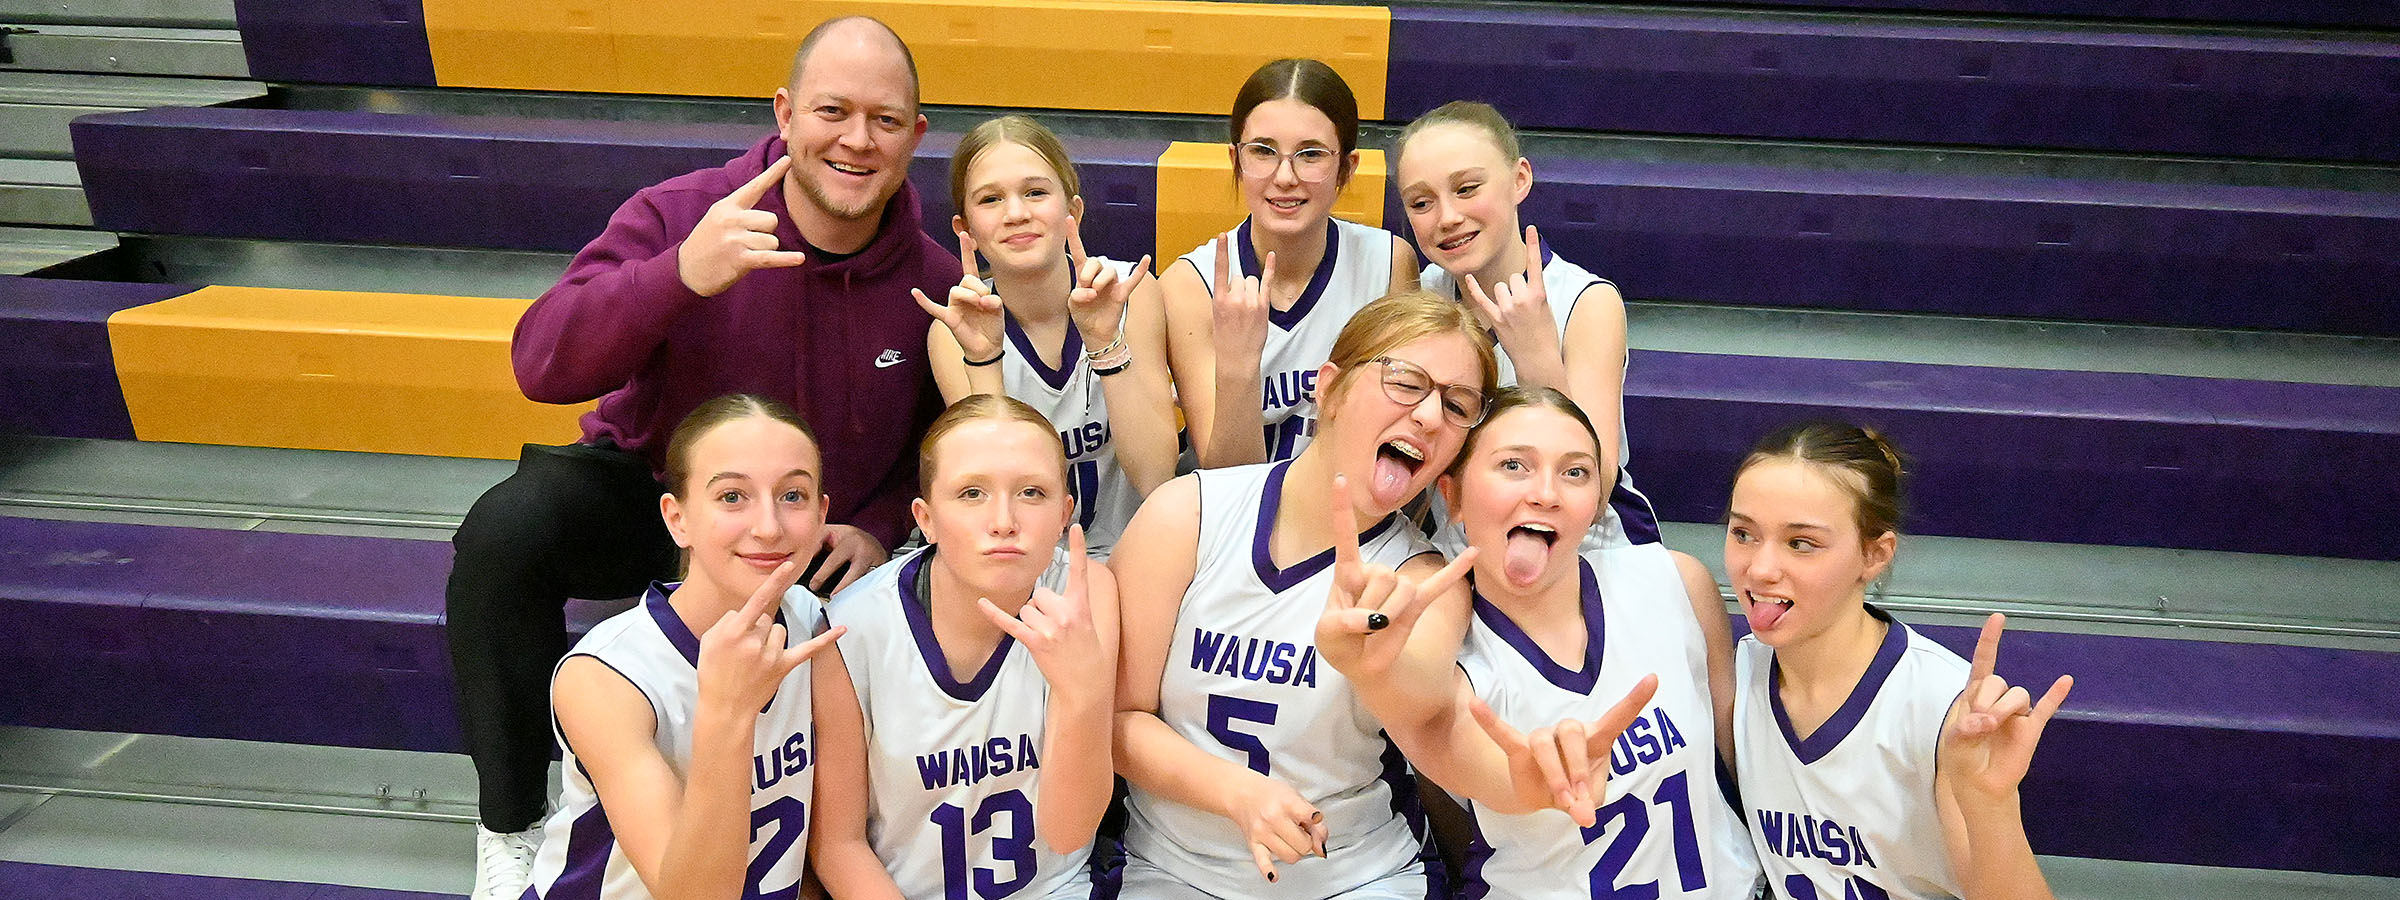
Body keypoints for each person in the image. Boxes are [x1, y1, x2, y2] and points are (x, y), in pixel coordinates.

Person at [446, 17, 961, 899]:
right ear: (786, 112)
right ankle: (511, 825)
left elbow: (941, 442)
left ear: (916, 135)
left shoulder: (931, 280)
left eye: (885, 119)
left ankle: (845, 842)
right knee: (508, 528)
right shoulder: (686, 213)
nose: (856, 139)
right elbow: (540, 362)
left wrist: (877, 526)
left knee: (904, 601)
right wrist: (679, 273)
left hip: (795, 532)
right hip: (656, 497)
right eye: (833, 111)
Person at [1111, 290, 1497, 899]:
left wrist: (1375, 669)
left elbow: (1424, 700)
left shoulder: (1426, 580)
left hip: (1358, 876)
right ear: (1330, 388)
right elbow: (1118, 722)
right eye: (1405, 381)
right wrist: (1237, 794)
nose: (1428, 415)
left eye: (1457, 405)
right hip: (1173, 869)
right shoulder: (1188, 515)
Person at [1317, 386, 1759, 899]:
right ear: (1453, 496)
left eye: (1575, 472)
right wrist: (1370, 669)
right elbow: (1435, 730)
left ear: (1595, 503)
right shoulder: (1453, 659)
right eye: (1514, 466)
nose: (1546, 493)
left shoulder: (1676, 579)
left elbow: (1731, 770)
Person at [1725, 423, 2073, 900]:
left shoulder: (1940, 705)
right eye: (1743, 533)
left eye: (1801, 543)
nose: (1760, 568)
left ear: (1874, 555)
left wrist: (1989, 803)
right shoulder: (1741, 671)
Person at [521, 393, 846, 900]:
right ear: (678, 519)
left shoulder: (810, 620)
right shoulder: (605, 675)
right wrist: (727, 710)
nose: (769, 527)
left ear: (822, 513)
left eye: (793, 496)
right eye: (732, 497)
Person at [811, 395, 1121, 900]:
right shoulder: (851, 629)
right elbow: (838, 847)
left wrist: (1081, 692)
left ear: (1066, 512)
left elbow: (1069, 832)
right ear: (925, 518)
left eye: (1032, 493)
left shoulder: (1088, 595)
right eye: (972, 493)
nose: (1003, 520)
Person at [1391, 101, 1657, 547]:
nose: (1448, 217)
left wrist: (1536, 358)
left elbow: (1596, 489)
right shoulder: (1419, 297)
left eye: (1467, 188)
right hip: (1466, 547)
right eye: (1422, 202)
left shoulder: (1587, 301)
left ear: (1520, 180)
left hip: (1587, 551)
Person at [916, 115, 1177, 558]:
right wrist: (984, 360)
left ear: (1072, 210)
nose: (1016, 213)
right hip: (1022, 562)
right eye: (991, 199)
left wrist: (1103, 342)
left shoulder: (1130, 291)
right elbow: (991, 490)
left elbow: (1155, 476)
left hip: (1135, 557)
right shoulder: (951, 331)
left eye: (1035, 192)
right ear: (966, 230)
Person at [1162, 58, 1421, 467]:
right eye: (1263, 151)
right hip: (1236, 521)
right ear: (1236, 161)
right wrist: (1239, 366)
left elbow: (1395, 439)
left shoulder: (1389, 265)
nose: (1285, 176)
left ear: (1346, 168)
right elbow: (1227, 477)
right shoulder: (1189, 285)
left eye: (1311, 154)